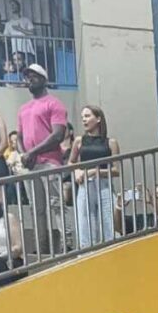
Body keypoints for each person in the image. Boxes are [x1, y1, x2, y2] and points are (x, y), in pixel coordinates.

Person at [17, 63, 68, 254]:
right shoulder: (23, 108)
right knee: (36, 209)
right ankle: (42, 249)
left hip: (49, 162)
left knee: (57, 206)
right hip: (31, 165)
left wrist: (33, 152)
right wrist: (24, 154)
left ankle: (67, 245)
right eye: (27, 76)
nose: (30, 79)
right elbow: (19, 138)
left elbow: (58, 135)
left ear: (44, 80)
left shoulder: (54, 103)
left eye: (34, 76)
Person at [69, 105, 120, 249]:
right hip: (85, 185)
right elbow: (71, 162)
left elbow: (116, 170)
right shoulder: (79, 141)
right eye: (82, 117)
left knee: (108, 224)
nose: (84, 120)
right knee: (85, 225)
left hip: (104, 185)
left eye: (87, 116)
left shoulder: (111, 142)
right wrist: (77, 171)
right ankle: (86, 254)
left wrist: (93, 171)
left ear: (98, 119)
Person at [4, 0, 35, 64]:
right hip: (16, 53)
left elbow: (32, 33)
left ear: (19, 7)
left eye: (14, 5)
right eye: (11, 5)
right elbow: (4, 38)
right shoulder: (8, 24)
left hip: (27, 51)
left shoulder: (26, 20)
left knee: (30, 71)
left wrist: (20, 29)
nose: (12, 7)